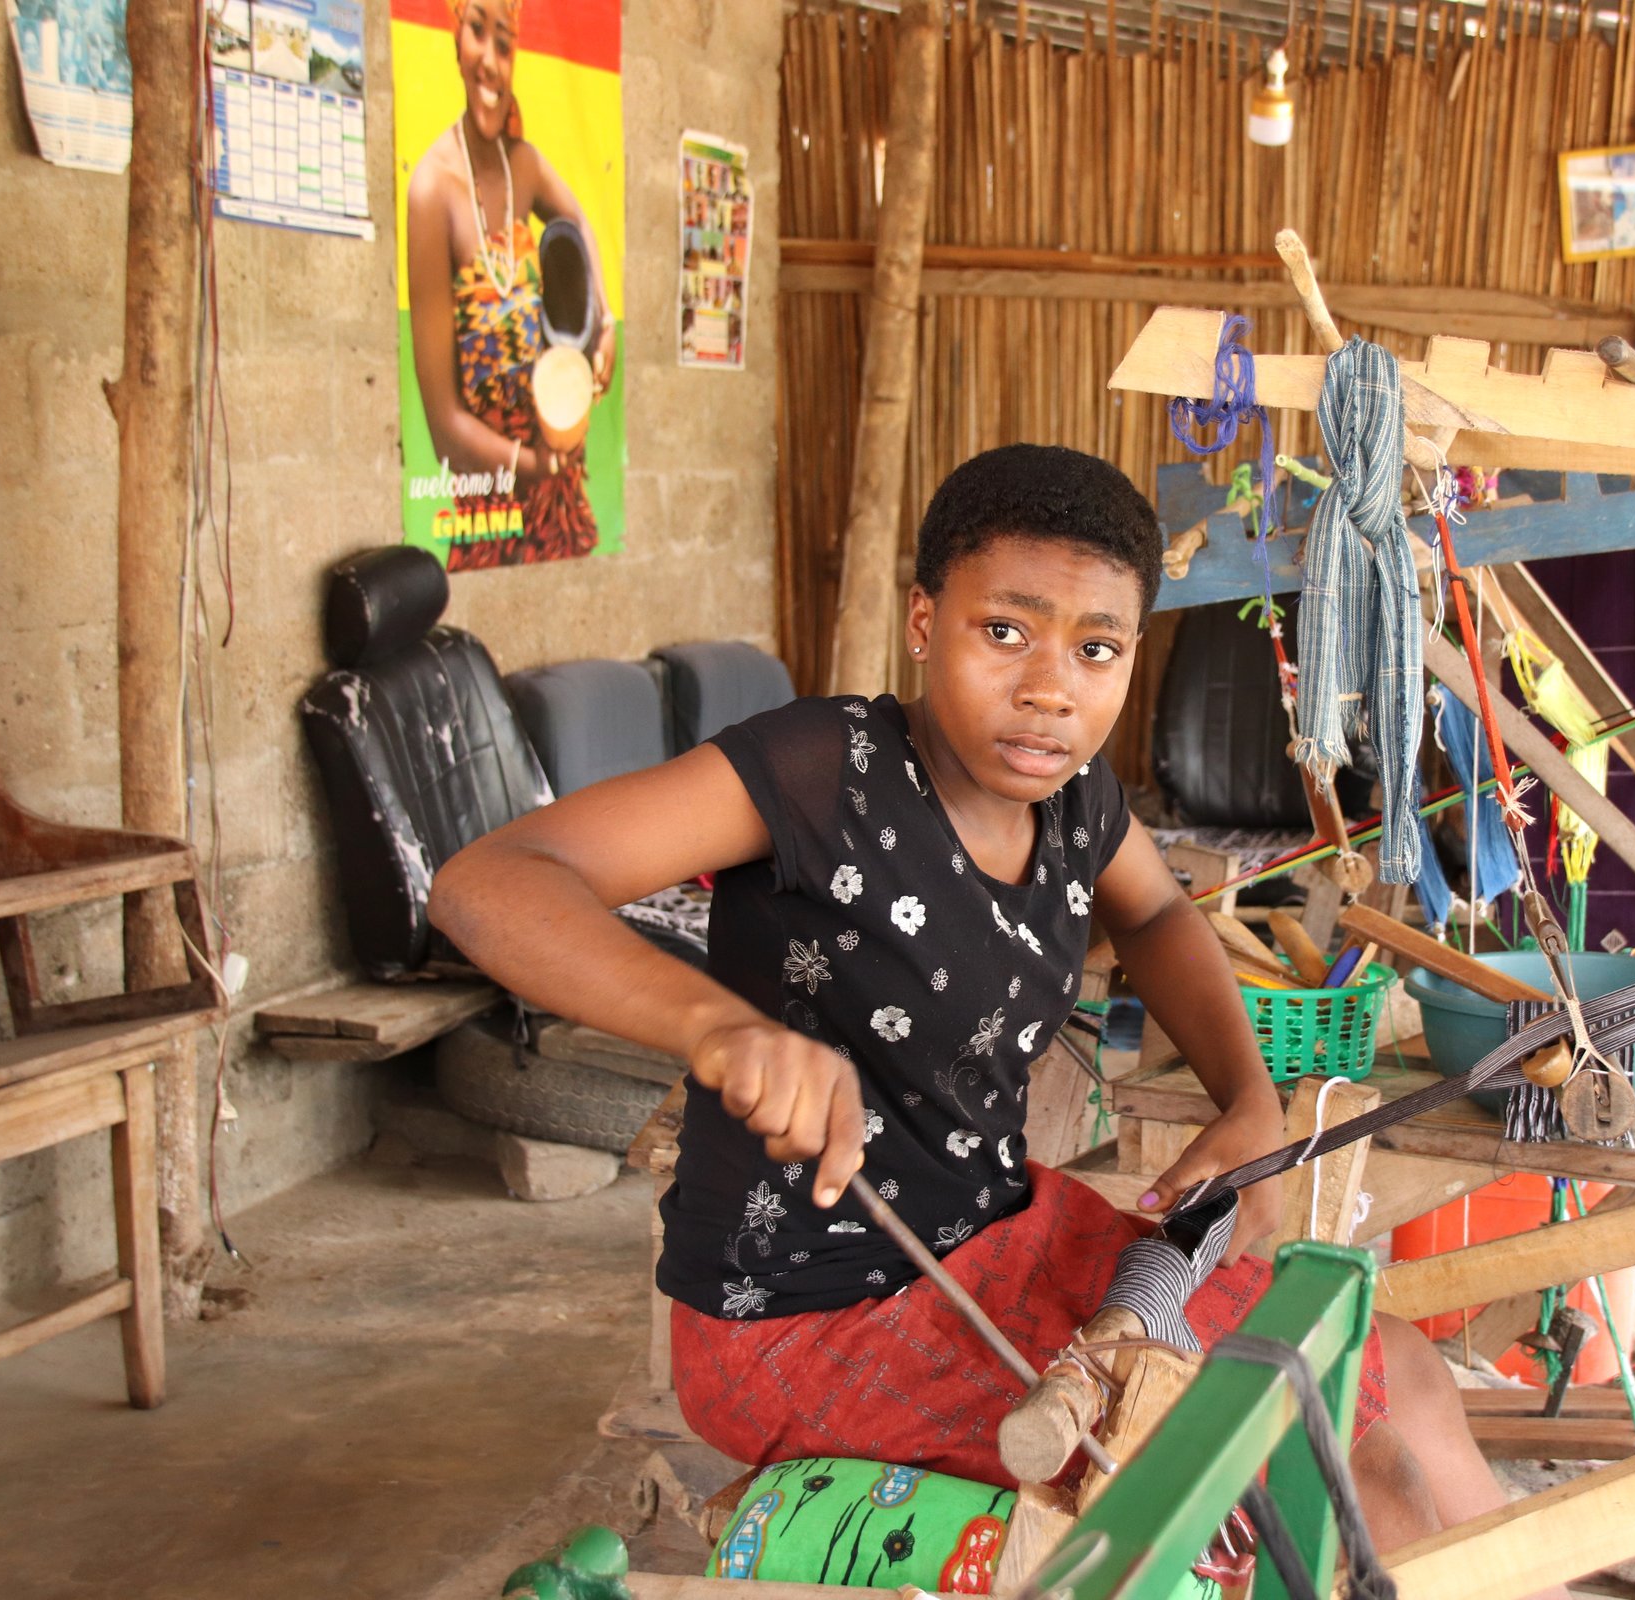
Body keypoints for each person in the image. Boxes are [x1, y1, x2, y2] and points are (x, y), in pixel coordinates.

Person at [430, 444, 1538, 1563]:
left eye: (1094, 649)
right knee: (1345, 1488)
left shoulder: (1075, 798)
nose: (1050, 688)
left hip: (1000, 1239)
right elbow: (489, 885)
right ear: (924, 621)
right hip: (805, 1318)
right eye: (1004, 632)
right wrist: (718, 1025)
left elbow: (1157, 918)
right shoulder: (827, 772)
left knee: (1400, 1379)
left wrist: (1248, 1099)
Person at [404, 0, 614, 570]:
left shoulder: (523, 166)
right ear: (455, 32)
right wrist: (534, 464)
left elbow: (579, 227)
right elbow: (445, 425)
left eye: (506, 43)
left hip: (563, 516)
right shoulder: (431, 192)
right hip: (490, 521)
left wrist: (606, 320)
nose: (492, 62)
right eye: (479, 33)